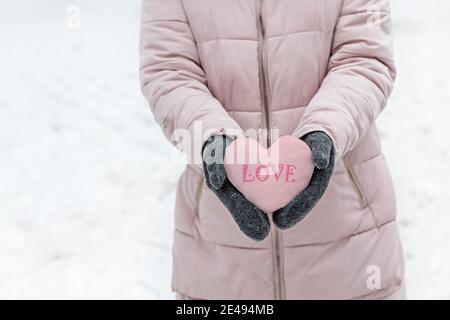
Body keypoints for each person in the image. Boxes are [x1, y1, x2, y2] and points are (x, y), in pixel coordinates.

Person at [139, 0, 405, 300]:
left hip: (352, 249)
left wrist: (324, 133)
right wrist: (215, 144)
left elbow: (364, 59)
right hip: (221, 261)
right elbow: (169, 72)